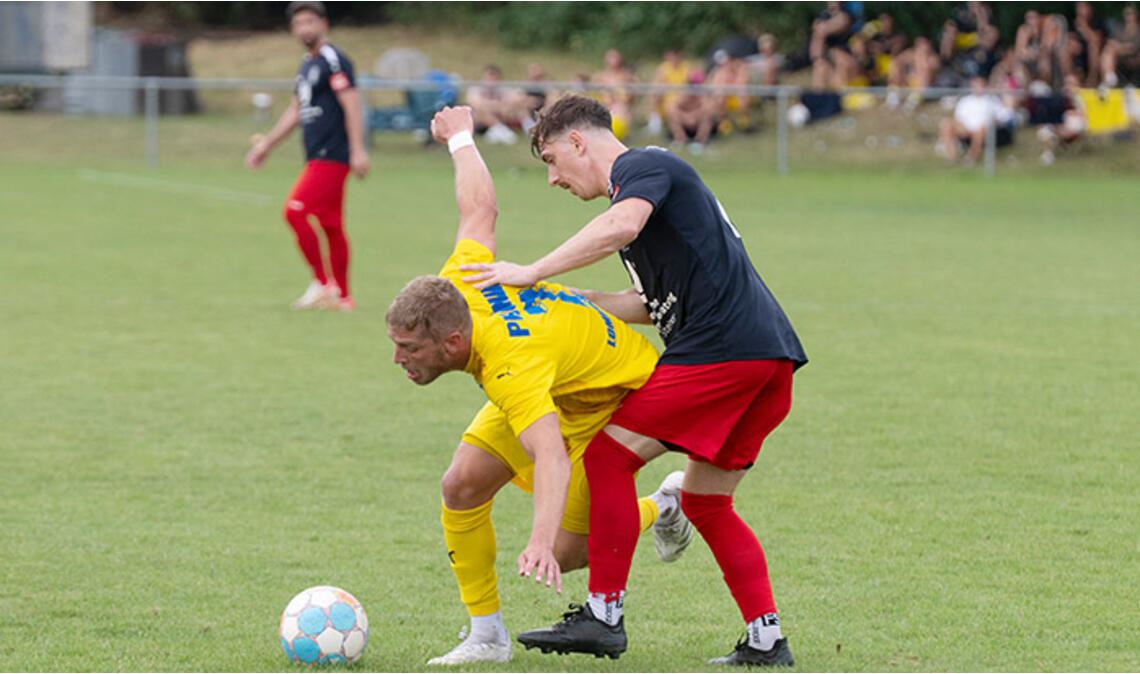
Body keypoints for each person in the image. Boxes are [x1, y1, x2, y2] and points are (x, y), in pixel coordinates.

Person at [459, 95, 808, 665]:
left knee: (606, 458)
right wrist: (566, 300)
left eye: (551, 159)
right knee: (706, 502)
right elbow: (650, 304)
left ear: (578, 142)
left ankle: (604, 615)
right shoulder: (653, 202)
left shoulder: (643, 168)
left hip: (722, 353)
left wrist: (534, 270)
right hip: (767, 360)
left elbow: (620, 225)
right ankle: (767, 639)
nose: (552, 178)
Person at [388, 105, 693, 665]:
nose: (397, 359)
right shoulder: (460, 280)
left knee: (564, 550)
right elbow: (480, 207)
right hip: (557, 382)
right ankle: (487, 636)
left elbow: (549, 456)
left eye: (409, 349)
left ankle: (665, 503)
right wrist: (460, 138)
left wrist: (535, 542)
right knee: (460, 486)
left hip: (613, 396)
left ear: (453, 343)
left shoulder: (511, 366)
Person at [245, 0, 368, 311]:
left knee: (295, 211)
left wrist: (357, 149)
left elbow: (351, 103)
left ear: (324, 24)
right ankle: (343, 296)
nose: (305, 28)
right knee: (330, 223)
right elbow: (296, 111)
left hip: (333, 153)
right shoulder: (306, 65)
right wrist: (266, 146)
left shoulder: (333, 59)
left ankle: (322, 283)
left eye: (310, 22)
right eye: (299, 23)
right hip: (315, 154)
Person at [937, 75, 1013, 164]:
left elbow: (1003, 116)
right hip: (966, 128)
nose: (978, 88)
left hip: (983, 129)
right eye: (975, 85)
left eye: (980, 85)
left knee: (980, 130)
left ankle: (971, 158)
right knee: (946, 124)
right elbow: (958, 118)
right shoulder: (965, 100)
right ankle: (952, 157)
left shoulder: (992, 100)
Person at [467, 65, 524, 145]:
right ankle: (504, 132)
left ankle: (497, 131)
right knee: (482, 111)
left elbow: (516, 99)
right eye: (489, 76)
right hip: (478, 121)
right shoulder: (476, 88)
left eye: (494, 77)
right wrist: (497, 106)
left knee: (511, 109)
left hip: (498, 116)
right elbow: (476, 104)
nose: (491, 80)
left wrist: (496, 106)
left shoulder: (501, 89)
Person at [592, 48, 638, 140]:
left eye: (615, 57)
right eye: (611, 57)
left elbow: (631, 97)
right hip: (604, 105)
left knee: (620, 109)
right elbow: (593, 94)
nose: (614, 60)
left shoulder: (626, 76)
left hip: (620, 105)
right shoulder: (599, 77)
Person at [1101, 4, 1140, 87]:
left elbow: (1133, 47)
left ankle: (1110, 79)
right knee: (1108, 51)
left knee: (1111, 50)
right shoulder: (1120, 28)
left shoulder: (1138, 30)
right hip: (1118, 56)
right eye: (1126, 13)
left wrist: (1119, 47)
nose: (1128, 16)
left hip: (1134, 56)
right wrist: (1119, 47)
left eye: (1130, 13)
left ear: (1135, 15)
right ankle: (1109, 78)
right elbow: (1111, 41)